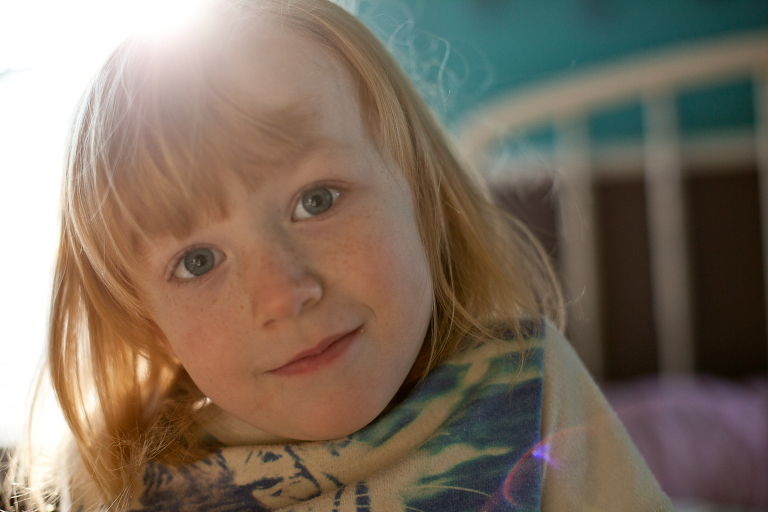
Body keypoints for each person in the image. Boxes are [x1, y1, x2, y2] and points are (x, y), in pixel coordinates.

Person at [6, 0, 674, 510]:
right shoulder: (115, 480)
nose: (281, 294)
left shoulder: (529, 386)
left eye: (318, 201)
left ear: (422, 197)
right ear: (150, 323)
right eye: (198, 261)